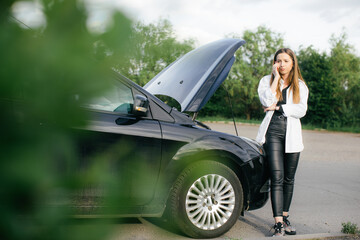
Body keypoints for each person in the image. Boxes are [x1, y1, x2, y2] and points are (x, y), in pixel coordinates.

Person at [256, 48, 309, 237]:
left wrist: (278, 106)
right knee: (277, 177)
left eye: (286, 61)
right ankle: (278, 223)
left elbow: (301, 109)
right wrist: (276, 79)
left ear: (293, 63)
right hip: (272, 133)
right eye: (278, 61)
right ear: (274, 63)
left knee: (289, 178)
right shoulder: (266, 81)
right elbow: (265, 100)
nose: (282, 64)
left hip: (292, 135)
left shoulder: (300, 85)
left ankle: (285, 217)